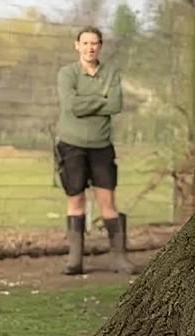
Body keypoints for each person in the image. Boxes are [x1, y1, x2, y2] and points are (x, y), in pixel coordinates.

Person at [55, 26, 137, 275]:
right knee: (76, 199)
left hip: (101, 146)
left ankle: (119, 258)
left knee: (107, 202)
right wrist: (100, 99)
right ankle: (75, 259)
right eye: (86, 43)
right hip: (71, 145)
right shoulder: (67, 74)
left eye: (95, 43)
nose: (90, 48)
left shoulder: (110, 73)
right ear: (76, 45)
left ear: (100, 46)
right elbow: (72, 106)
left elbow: (116, 104)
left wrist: (89, 101)